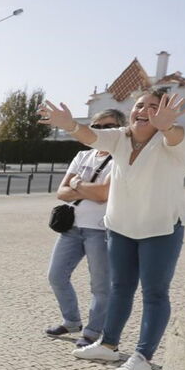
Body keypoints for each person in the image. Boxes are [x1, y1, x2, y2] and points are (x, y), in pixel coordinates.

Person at [39, 91, 185, 370]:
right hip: (120, 227)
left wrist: (167, 126)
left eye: (153, 107)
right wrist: (69, 124)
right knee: (120, 288)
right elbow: (90, 136)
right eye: (139, 106)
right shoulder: (120, 137)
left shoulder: (171, 141)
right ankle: (108, 344)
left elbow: (176, 137)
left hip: (160, 230)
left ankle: (143, 356)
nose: (144, 111)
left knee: (154, 294)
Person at [45, 109, 126, 347]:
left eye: (106, 126)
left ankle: (92, 331)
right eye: (95, 126)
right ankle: (71, 320)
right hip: (72, 227)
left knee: (100, 286)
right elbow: (61, 192)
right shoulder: (82, 156)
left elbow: (103, 195)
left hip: (101, 230)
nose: (99, 131)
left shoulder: (120, 158)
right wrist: (86, 188)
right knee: (56, 276)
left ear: (118, 129)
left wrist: (78, 183)